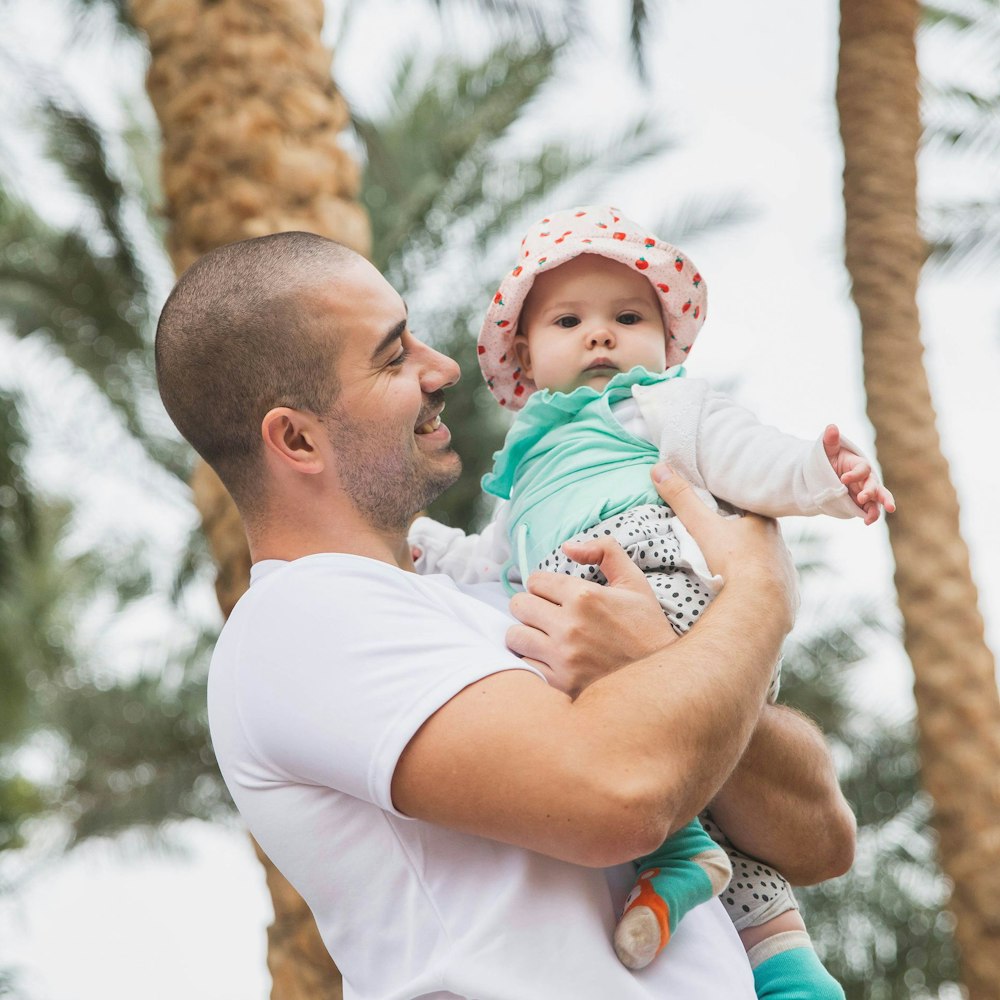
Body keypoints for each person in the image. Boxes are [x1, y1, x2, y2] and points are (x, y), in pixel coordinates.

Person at [154, 230, 856, 1000]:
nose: (445, 366)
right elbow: (617, 799)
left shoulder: (502, 592)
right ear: (296, 438)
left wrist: (667, 665)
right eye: (394, 356)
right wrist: (759, 599)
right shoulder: (296, 620)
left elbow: (819, 838)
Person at [410, 206, 892, 994]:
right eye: (570, 319)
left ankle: (675, 855)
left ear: (666, 346)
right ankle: (788, 966)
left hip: (662, 588)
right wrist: (425, 547)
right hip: (621, 627)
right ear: (525, 356)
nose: (601, 336)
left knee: (586, 700)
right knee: (683, 778)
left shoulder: (652, 407)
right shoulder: (524, 473)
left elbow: (742, 453)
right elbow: (485, 564)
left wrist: (822, 476)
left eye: (627, 318)